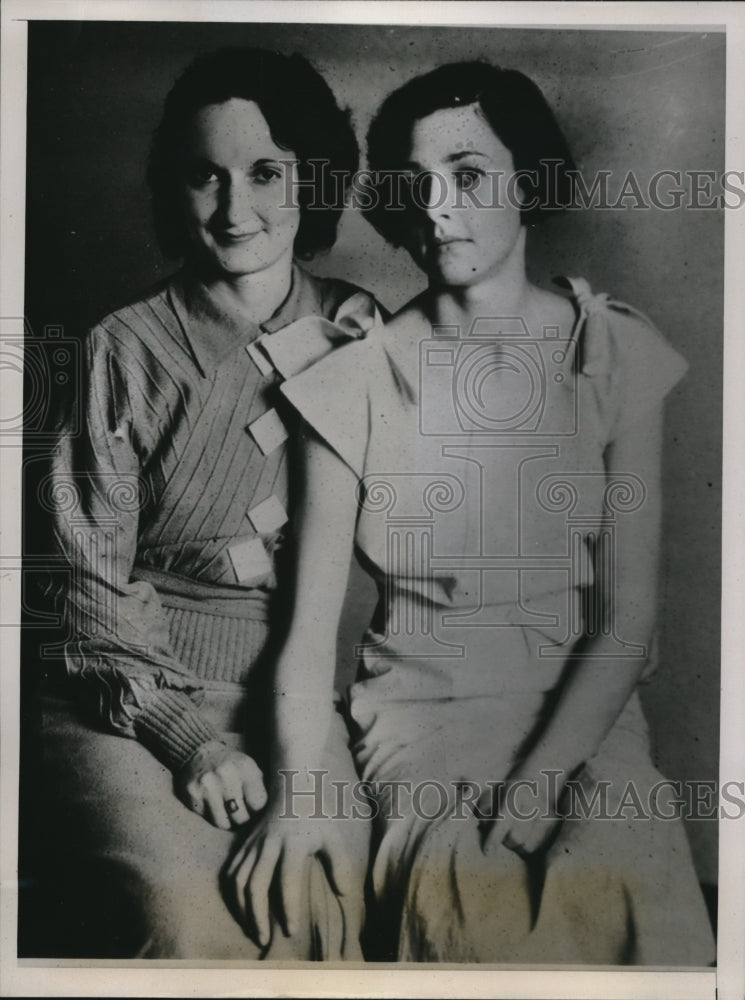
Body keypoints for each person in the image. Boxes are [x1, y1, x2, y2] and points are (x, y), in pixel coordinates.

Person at [230, 62, 717, 964]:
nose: (439, 206)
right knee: (470, 899)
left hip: (582, 714)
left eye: (468, 174)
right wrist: (304, 792)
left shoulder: (610, 350)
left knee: (619, 871)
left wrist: (537, 788)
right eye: (415, 185)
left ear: (526, 182)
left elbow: (626, 622)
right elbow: (303, 645)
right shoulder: (350, 379)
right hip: (422, 723)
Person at [33, 47, 379, 959]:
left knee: (321, 909)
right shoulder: (123, 349)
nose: (234, 209)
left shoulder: (362, 326)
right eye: (203, 177)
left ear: (314, 178)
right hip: (128, 702)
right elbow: (88, 587)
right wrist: (190, 742)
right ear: (171, 190)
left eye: (267, 172)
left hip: (296, 705)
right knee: (182, 920)